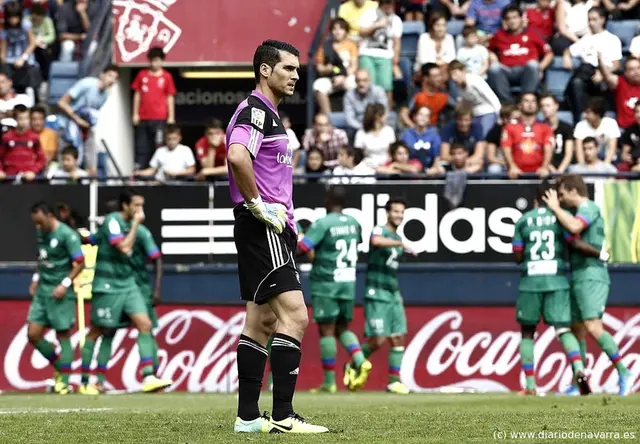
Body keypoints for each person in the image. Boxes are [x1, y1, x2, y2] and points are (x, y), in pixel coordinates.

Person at [225, 40, 328, 434]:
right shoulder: (256, 111)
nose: (295, 76)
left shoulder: (269, 114)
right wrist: (257, 204)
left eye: (298, 70)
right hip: (263, 225)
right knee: (296, 316)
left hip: (267, 224)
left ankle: (248, 418)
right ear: (265, 70)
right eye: (288, 68)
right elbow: (238, 157)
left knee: (261, 320)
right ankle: (283, 416)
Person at [543, 175, 633, 396]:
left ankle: (624, 372)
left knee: (593, 325)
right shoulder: (575, 211)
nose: (560, 199)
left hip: (591, 275)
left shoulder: (588, 207)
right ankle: (579, 382)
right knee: (577, 329)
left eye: (562, 194)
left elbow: (574, 226)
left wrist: (555, 208)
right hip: (577, 274)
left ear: (574, 190)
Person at [77, 189, 172, 395]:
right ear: (125, 206)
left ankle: (148, 377)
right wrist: (136, 225)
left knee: (145, 324)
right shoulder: (113, 220)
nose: (140, 210)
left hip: (128, 284)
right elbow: (123, 248)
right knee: (99, 331)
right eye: (136, 205)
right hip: (107, 285)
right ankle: (85, 381)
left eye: (142, 206)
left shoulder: (134, 228)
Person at [511, 182, 591, 396]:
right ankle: (579, 369)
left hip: (531, 281)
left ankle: (530, 386)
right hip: (557, 280)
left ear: (535, 198)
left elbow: (518, 255)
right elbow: (573, 243)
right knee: (563, 330)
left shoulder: (523, 220)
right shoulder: (561, 217)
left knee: (527, 333)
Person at [297, 186, 371, 393]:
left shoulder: (323, 223)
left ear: (328, 200)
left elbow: (302, 250)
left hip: (326, 282)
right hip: (348, 282)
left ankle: (329, 383)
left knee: (326, 330)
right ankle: (360, 359)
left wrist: (297, 239)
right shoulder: (354, 223)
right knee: (343, 328)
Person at [346, 198, 415, 394]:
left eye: (402, 212)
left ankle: (394, 382)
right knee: (378, 340)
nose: (399, 215)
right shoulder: (380, 230)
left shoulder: (395, 237)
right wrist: (400, 244)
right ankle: (354, 364)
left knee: (398, 337)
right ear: (387, 213)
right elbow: (375, 241)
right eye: (395, 212)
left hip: (393, 293)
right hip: (376, 293)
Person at [91, 220, 163, 393]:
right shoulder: (112, 230)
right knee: (108, 331)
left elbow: (156, 258)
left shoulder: (141, 232)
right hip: (116, 288)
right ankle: (98, 381)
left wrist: (156, 289)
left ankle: (151, 377)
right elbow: (91, 241)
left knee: (146, 327)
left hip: (139, 289)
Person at [27, 201, 85, 395]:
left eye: (40, 222)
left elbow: (80, 262)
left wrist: (65, 284)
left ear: (50, 216)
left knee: (62, 335)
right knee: (33, 334)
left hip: (60, 291)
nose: (38, 226)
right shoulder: (40, 233)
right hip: (43, 290)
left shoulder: (68, 235)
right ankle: (62, 367)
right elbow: (41, 258)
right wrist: (36, 278)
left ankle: (65, 382)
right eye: (35, 223)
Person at [563, 7, 622, 124]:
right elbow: (569, 50)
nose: (591, 23)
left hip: (604, 73)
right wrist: (566, 56)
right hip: (586, 73)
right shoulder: (586, 39)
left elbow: (616, 64)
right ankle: (580, 118)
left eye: (594, 19)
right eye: (589, 20)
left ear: (603, 20)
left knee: (578, 79)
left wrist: (604, 72)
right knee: (578, 79)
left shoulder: (612, 39)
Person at [57, 64, 120, 173]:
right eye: (110, 76)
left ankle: (93, 187)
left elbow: (91, 114)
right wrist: (77, 119)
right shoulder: (86, 84)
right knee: (67, 164)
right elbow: (61, 102)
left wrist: (86, 124)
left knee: (92, 163)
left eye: (115, 78)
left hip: (85, 129)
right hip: (67, 127)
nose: (112, 80)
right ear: (102, 75)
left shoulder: (105, 95)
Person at [487, 5, 553, 104]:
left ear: (521, 18)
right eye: (508, 18)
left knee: (533, 65)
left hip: (526, 71)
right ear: (505, 21)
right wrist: (492, 56)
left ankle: (525, 102)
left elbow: (549, 54)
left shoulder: (533, 33)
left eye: (515, 17)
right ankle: (508, 104)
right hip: (506, 72)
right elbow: (488, 50)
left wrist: (540, 68)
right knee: (494, 68)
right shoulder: (499, 35)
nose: (512, 21)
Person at [131, 47, 177, 170]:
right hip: (143, 117)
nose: (154, 63)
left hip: (160, 118)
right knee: (142, 146)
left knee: (159, 145)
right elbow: (137, 94)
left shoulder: (167, 76)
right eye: (152, 60)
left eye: (157, 60)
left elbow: (170, 96)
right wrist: (135, 113)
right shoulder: (142, 75)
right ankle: (139, 171)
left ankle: (159, 170)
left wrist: (171, 117)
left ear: (162, 61)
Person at [358, 0, 403, 104]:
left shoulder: (396, 20)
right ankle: (368, 113)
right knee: (367, 85)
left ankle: (387, 114)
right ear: (381, 4)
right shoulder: (369, 14)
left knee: (386, 87)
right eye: (387, 3)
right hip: (367, 54)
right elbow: (361, 32)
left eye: (391, 3)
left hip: (386, 56)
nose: (389, 6)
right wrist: (377, 25)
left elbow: (397, 43)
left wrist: (395, 62)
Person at [500, 92, 554, 179]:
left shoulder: (545, 127)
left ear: (537, 106)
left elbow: (548, 148)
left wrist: (544, 167)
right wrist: (512, 166)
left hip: (539, 173)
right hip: (516, 173)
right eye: (526, 101)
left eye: (533, 101)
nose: (530, 104)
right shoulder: (510, 127)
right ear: (520, 105)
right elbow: (506, 148)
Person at [313, 18, 358, 114]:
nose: (337, 32)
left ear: (346, 31)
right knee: (319, 85)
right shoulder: (325, 46)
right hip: (330, 78)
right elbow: (320, 67)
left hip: (346, 76)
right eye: (334, 29)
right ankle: (329, 118)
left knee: (353, 84)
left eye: (341, 29)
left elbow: (354, 66)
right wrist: (326, 69)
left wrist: (343, 77)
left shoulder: (351, 45)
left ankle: (351, 115)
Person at [448, 59, 500, 138]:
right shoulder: (459, 87)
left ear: (463, 71)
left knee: (485, 136)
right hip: (475, 114)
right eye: (451, 75)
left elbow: (491, 97)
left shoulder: (475, 80)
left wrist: (499, 115)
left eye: (455, 73)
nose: (454, 77)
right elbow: (464, 102)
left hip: (488, 111)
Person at [0, 104, 46, 182]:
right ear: (15, 119)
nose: (24, 121)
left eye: (26, 118)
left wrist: (33, 171)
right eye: (21, 118)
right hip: (9, 179)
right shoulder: (7, 137)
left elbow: (41, 159)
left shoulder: (34, 137)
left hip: (28, 181)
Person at [597, 55, 640, 131]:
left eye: (638, 68)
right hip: (623, 129)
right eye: (632, 69)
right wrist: (600, 61)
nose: (636, 72)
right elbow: (607, 76)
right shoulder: (621, 82)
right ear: (626, 73)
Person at [573, 97, 620, 165]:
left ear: (597, 114)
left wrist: (604, 167)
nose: (584, 115)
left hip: (608, 161)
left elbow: (612, 149)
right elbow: (579, 150)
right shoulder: (580, 125)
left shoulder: (611, 123)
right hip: (587, 161)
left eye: (588, 112)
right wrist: (582, 167)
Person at [343, 68, 388, 134]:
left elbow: (383, 112)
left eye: (365, 80)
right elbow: (349, 119)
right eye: (359, 80)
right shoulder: (349, 96)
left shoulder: (378, 91)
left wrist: (374, 128)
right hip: (358, 129)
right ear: (355, 81)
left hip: (377, 127)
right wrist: (364, 128)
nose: (361, 84)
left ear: (370, 80)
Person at [354, 103, 396, 169]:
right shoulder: (361, 133)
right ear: (377, 116)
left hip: (387, 165)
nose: (386, 116)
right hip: (368, 166)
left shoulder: (389, 130)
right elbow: (358, 154)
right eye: (385, 114)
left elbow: (393, 151)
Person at [539, 94, 574, 173]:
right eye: (542, 106)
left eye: (548, 105)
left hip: (564, 167)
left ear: (556, 106)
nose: (544, 109)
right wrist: (551, 169)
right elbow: (539, 154)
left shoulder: (566, 127)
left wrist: (560, 171)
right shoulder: (538, 128)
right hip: (545, 167)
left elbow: (569, 154)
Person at [400, 106, 441, 170]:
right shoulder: (406, 134)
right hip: (409, 170)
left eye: (426, 116)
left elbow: (437, 156)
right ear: (415, 117)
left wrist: (434, 169)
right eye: (420, 114)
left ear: (429, 120)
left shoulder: (434, 136)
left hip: (428, 172)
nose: (423, 118)